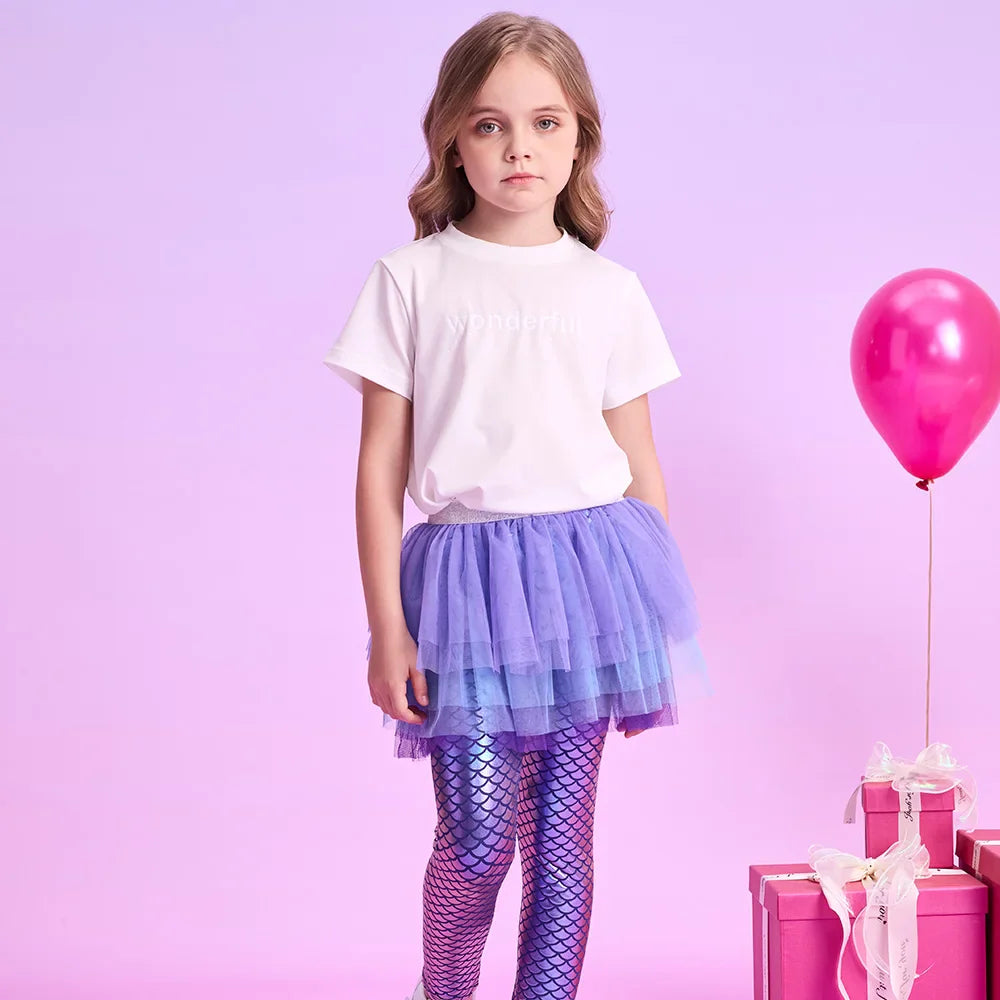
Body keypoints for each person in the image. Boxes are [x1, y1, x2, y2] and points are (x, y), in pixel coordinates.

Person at [323, 12, 708, 1000]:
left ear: (579, 138)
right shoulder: (409, 280)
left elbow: (640, 464)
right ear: (453, 138)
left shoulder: (609, 290)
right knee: (478, 836)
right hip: (464, 584)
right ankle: (443, 989)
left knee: (560, 842)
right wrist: (386, 628)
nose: (518, 147)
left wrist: (641, 626)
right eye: (490, 124)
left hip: (587, 580)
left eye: (545, 123)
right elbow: (378, 467)